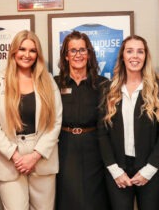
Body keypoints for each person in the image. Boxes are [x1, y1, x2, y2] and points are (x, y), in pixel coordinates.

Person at [0, 30, 62, 210]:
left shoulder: (47, 80)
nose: (27, 55)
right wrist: (15, 156)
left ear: (37, 54)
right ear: (13, 52)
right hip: (8, 156)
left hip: (41, 155)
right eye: (22, 49)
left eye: (32, 50)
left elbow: (55, 122)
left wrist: (35, 155)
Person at [98, 35, 159, 210]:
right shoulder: (108, 89)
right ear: (122, 56)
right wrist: (115, 170)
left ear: (146, 56)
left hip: (150, 169)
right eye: (130, 51)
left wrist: (149, 170)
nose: (135, 56)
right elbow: (102, 133)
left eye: (140, 51)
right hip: (117, 170)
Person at [54, 30, 110, 210]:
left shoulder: (103, 84)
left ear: (89, 54)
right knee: (67, 197)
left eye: (82, 50)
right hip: (64, 146)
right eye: (73, 51)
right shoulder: (54, 84)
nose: (78, 55)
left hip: (95, 147)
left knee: (95, 199)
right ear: (66, 56)